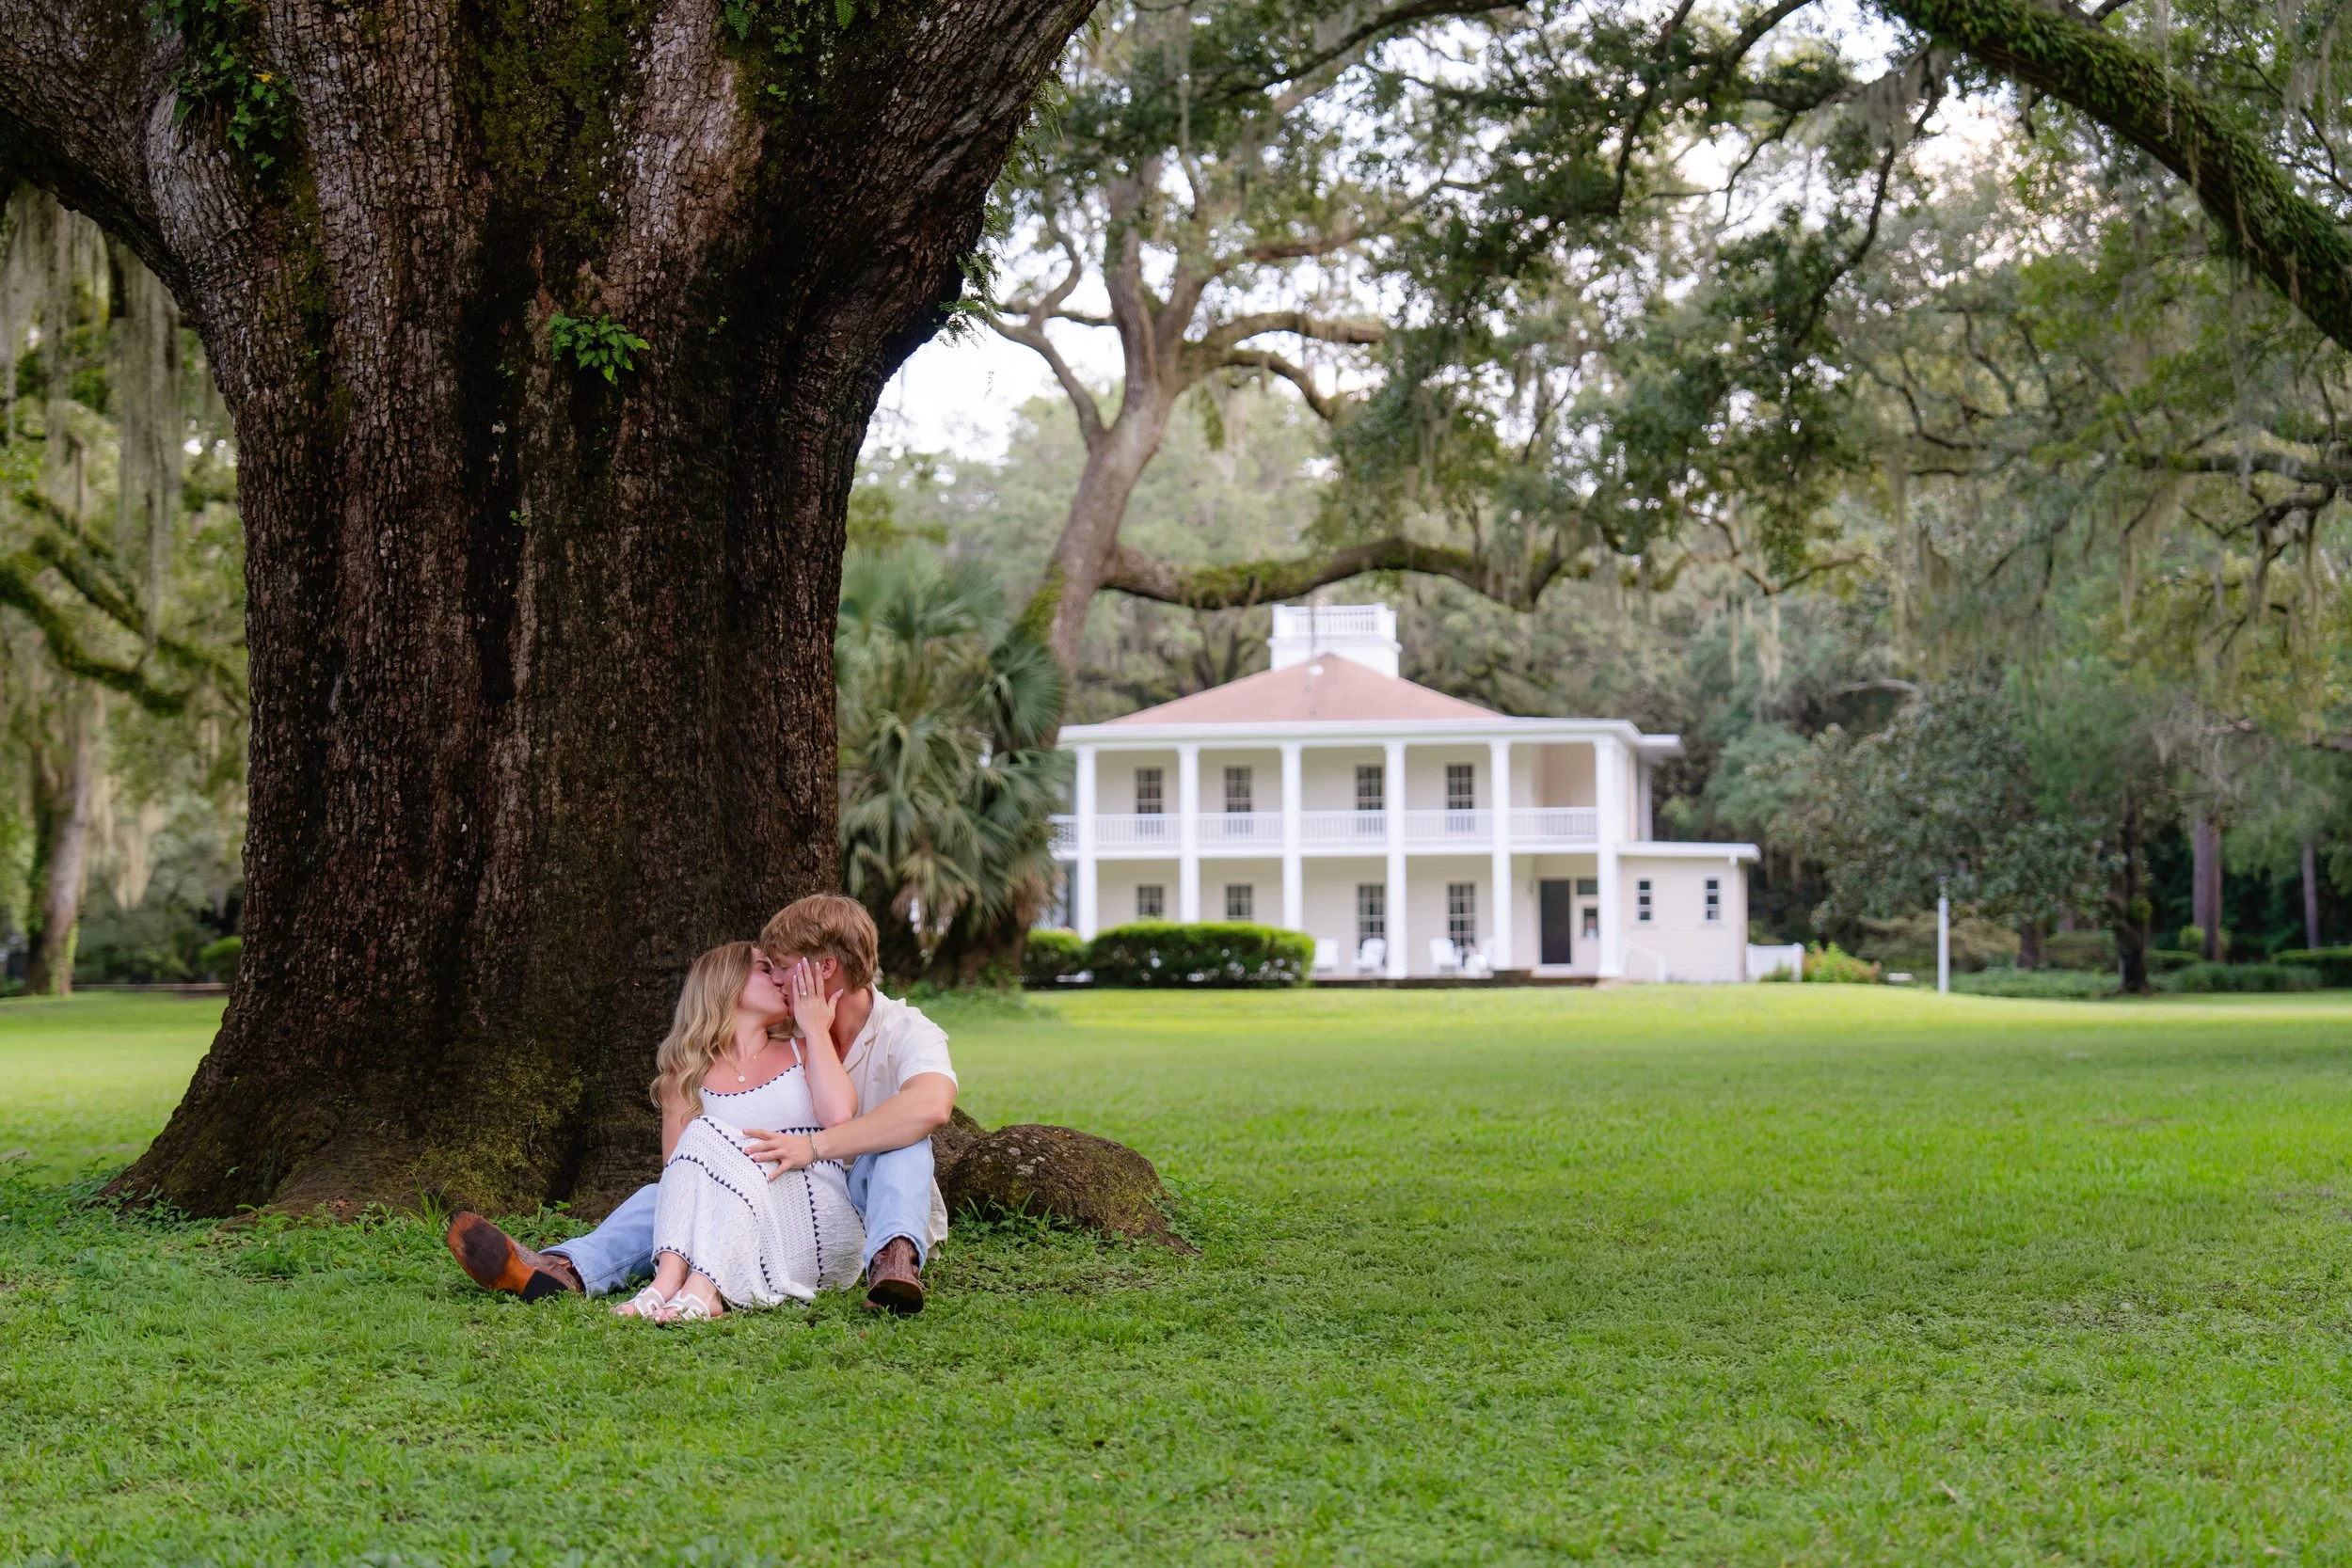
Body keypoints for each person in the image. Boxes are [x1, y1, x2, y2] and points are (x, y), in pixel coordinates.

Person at [445, 895, 958, 1314]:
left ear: (824, 969)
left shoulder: (903, 1031)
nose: (777, 980)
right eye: (770, 970)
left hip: (858, 1197)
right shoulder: (778, 1039)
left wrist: (814, 1147)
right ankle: (564, 1269)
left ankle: (893, 1261)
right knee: (665, 1190)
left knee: (904, 1141)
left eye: (780, 968)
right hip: (768, 1187)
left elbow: (931, 1106)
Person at [613, 940, 865, 1323]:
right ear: (726, 982)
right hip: (744, 1241)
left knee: (704, 1131)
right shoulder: (685, 1077)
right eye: (766, 969)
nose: (782, 980)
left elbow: (840, 1116)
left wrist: (815, 1028)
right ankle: (672, 1282)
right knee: (698, 1137)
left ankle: (694, 1287)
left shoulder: (805, 1048)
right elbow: (682, 1180)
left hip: (818, 1229)